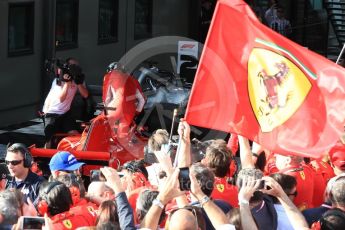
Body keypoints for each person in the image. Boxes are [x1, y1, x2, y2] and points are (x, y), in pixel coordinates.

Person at [42, 58, 89, 148]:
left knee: (74, 134)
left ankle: (73, 154)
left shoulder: (78, 78)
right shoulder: (59, 79)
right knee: (49, 139)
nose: (74, 68)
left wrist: (78, 83)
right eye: (72, 66)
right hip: (52, 112)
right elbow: (61, 99)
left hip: (65, 113)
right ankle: (46, 158)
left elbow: (85, 95)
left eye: (76, 66)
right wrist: (67, 83)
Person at [103, 62, 145, 139]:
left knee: (111, 133)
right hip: (130, 112)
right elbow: (142, 100)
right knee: (123, 135)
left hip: (114, 109)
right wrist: (136, 112)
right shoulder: (133, 80)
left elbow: (107, 98)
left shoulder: (109, 76)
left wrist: (106, 112)